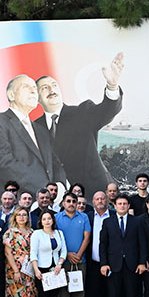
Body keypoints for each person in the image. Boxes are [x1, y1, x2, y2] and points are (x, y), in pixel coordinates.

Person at [33, 54, 124, 196]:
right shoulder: (34, 127)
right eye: (44, 88)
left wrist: (112, 86)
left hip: (95, 193)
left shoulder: (83, 112)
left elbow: (107, 110)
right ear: (37, 97)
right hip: (58, 197)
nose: (51, 90)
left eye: (54, 85)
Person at [0, 74, 67, 202]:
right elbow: (4, 163)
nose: (33, 91)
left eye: (35, 88)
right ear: (11, 95)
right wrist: (45, 190)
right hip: (14, 205)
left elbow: (55, 163)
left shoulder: (42, 130)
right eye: (26, 87)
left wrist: (59, 187)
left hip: (46, 207)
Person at [99, 195, 146, 297]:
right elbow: (103, 244)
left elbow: (142, 243)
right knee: (114, 296)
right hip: (114, 265)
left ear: (128, 205)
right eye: (119, 203)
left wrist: (142, 262)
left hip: (132, 264)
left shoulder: (136, 221)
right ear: (115, 206)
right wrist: (104, 263)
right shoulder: (108, 222)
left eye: (125, 203)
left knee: (131, 296)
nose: (122, 206)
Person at [55, 192, 90, 297]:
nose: (71, 203)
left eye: (74, 201)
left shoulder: (84, 217)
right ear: (63, 203)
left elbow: (87, 237)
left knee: (79, 293)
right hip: (63, 261)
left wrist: (79, 255)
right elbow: (55, 238)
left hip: (80, 261)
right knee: (63, 294)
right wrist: (67, 254)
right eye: (68, 201)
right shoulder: (56, 218)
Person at [30, 210, 67, 297]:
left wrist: (59, 264)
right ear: (40, 221)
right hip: (42, 270)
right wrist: (36, 269)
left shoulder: (59, 233)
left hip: (55, 270)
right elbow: (33, 253)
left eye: (49, 218)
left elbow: (63, 251)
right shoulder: (37, 234)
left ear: (53, 220)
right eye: (44, 219)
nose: (47, 221)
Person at [3, 208, 38, 297]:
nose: (22, 217)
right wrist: (16, 271)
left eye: (24, 215)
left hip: (30, 268)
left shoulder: (33, 232)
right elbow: (8, 253)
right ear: (15, 217)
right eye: (19, 215)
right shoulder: (10, 233)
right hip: (15, 269)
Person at [87, 191, 115, 297]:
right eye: (97, 199)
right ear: (93, 202)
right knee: (96, 293)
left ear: (107, 200)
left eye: (102, 198)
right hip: (94, 262)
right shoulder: (88, 217)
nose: (100, 201)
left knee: (113, 293)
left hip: (112, 262)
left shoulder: (114, 216)